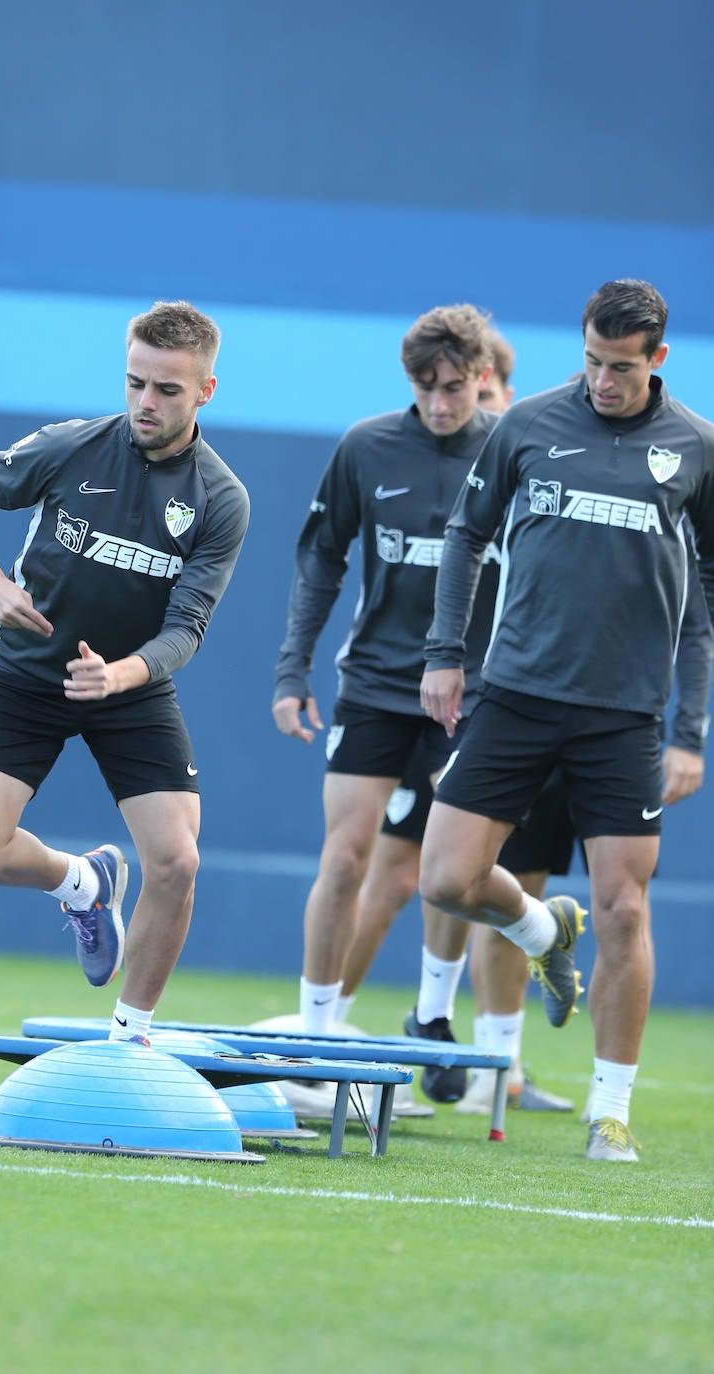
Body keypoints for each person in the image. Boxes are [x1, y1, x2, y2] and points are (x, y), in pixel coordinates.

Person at [419, 278, 714, 1161]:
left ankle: (608, 1110)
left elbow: (706, 598)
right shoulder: (527, 425)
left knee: (624, 907)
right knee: (444, 880)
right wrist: (444, 654)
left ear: (656, 359)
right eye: (590, 361)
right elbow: (467, 534)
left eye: (620, 368)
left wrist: (689, 729)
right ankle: (544, 931)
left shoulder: (695, 447)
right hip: (513, 696)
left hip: (623, 718)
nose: (601, 381)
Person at [0, 301, 249, 1046]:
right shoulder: (72, 446)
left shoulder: (221, 499)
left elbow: (186, 629)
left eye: (168, 390)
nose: (146, 401)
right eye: (135, 382)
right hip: (25, 673)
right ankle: (83, 883)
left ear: (205, 390)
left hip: (129, 689)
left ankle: (128, 1038)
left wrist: (122, 676)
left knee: (175, 860)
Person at [272, 304, 500, 1102]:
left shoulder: (511, 450)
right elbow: (320, 558)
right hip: (371, 686)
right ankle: (312, 1032)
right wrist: (291, 671)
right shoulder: (366, 445)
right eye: (424, 387)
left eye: (454, 386)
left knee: (450, 871)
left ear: (481, 377)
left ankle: (433, 1015)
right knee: (344, 859)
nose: (439, 402)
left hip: (469, 698)